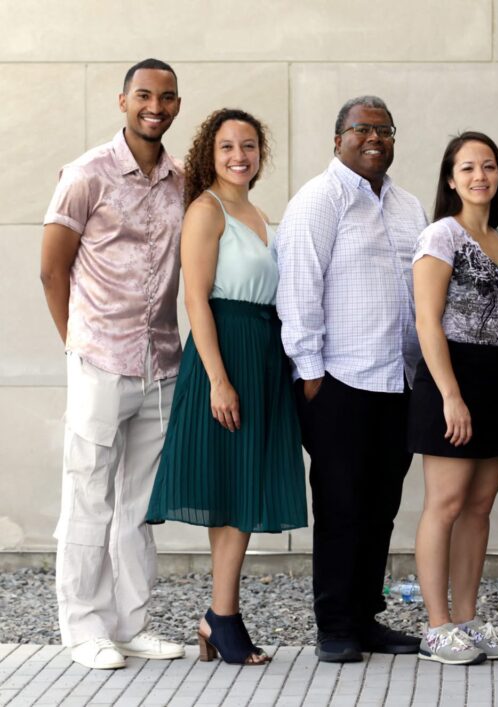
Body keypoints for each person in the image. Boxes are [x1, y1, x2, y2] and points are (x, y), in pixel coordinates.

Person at [145, 108, 307, 665]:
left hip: (263, 353)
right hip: (227, 354)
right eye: (227, 147)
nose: (240, 156)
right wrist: (218, 379)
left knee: (245, 487)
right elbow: (195, 300)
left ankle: (219, 615)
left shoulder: (261, 213)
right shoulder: (205, 210)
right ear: (208, 157)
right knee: (232, 488)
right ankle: (222, 617)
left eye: (249, 146)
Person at [39, 58, 186, 670]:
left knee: (139, 502)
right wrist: (76, 343)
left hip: (162, 361)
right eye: (145, 95)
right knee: (89, 495)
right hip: (100, 357)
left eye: (168, 97)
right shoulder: (86, 173)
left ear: (177, 105)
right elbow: (52, 268)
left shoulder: (183, 178)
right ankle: (83, 628)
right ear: (123, 101)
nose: (156, 106)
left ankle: (131, 623)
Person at [275, 96, 426, 663]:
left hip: (399, 382)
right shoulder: (319, 200)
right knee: (340, 506)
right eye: (361, 128)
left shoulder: (408, 205)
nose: (374, 138)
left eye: (384, 129)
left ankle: (366, 617)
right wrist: (311, 376)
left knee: (381, 505)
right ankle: (334, 624)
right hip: (338, 381)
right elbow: (297, 291)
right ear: (337, 139)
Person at [408, 132, 498, 665]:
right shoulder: (441, 236)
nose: (479, 176)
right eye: (468, 168)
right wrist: (450, 397)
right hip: (451, 377)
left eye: (488, 166)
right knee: (445, 505)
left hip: (494, 382)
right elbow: (426, 322)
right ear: (450, 178)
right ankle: (436, 627)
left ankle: (466, 620)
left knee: (479, 507)